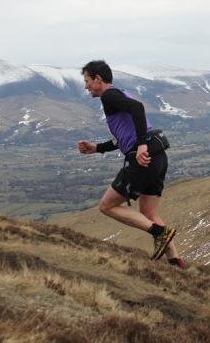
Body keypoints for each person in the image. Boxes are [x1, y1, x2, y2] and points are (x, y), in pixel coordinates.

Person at [78, 60, 185, 267]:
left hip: (144, 157)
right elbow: (124, 136)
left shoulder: (109, 95)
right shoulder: (120, 94)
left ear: (98, 79)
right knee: (149, 213)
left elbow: (138, 108)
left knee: (107, 206)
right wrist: (97, 148)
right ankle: (175, 262)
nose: (86, 86)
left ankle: (159, 233)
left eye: (87, 81)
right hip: (158, 154)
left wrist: (142, 146)